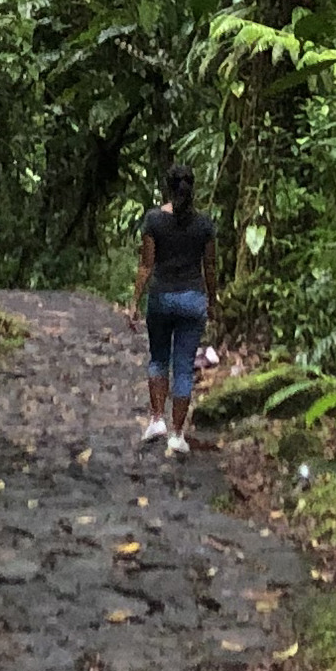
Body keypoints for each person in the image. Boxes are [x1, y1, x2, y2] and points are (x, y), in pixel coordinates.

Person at [135, 161, 216, 457]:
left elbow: (146, 265)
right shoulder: (204, 225)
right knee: (183, 367)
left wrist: (134, 302)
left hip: (161, 298)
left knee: (158, 359)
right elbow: (210, 267)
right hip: (192, 300)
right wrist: (214, 301)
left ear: (167, 188)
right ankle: (177, 435)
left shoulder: (154, 220)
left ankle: (157, 420)